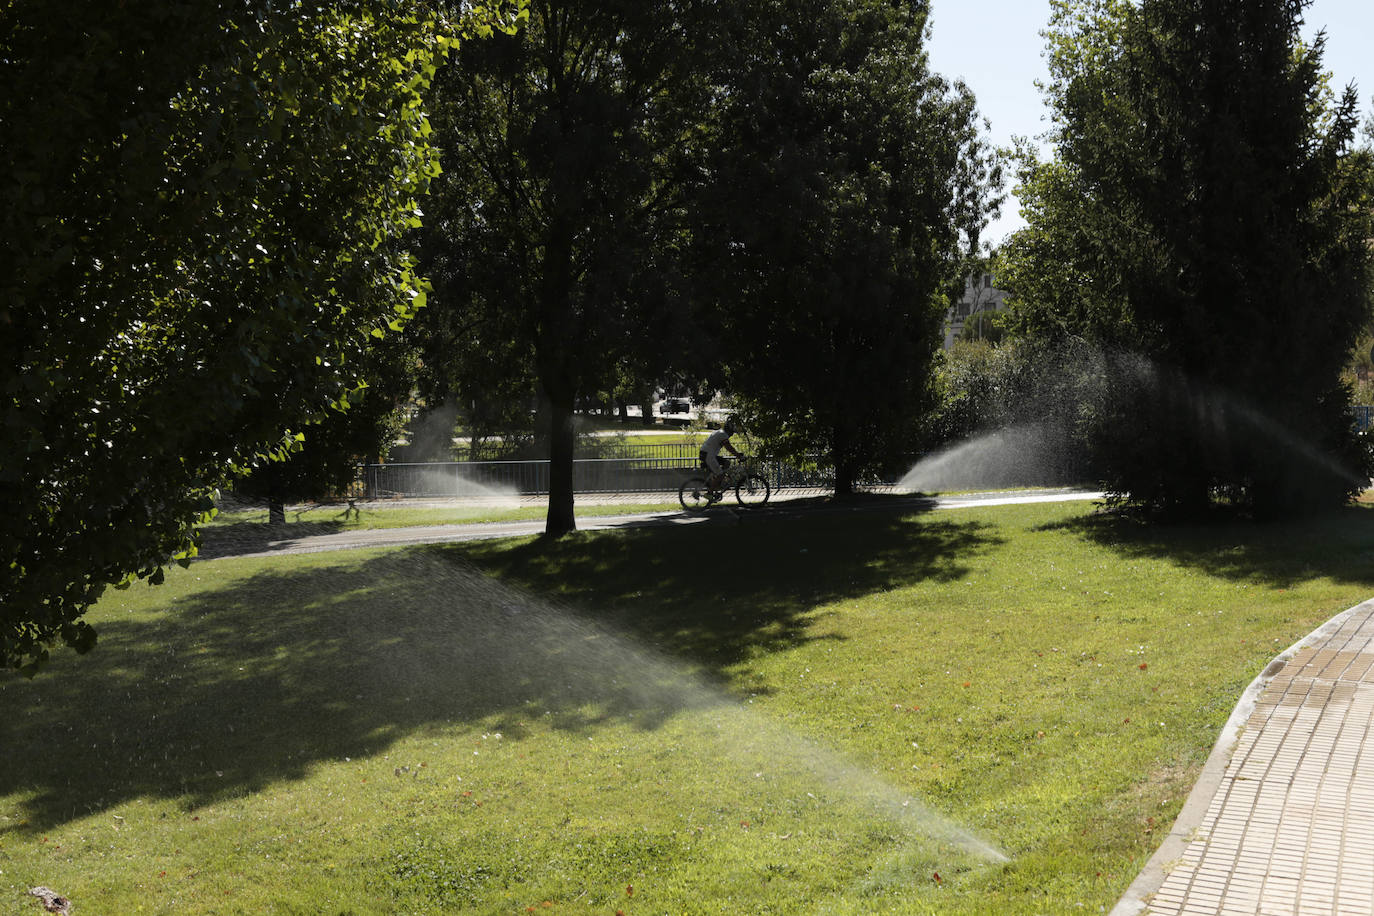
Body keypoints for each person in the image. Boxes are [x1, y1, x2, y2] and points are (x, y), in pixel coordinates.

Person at [700, 418, 744, 495]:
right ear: (729, 430)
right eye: (732, 432)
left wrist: (737, 454)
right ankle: (709, 493)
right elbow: (729, 447)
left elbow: (729, 447)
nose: (732, 434)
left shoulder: (721, 432)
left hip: (708, 454)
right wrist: (738, 455)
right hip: (708, 455)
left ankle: (718, 482)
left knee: (727, 463)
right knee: (721, 474)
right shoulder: (722, 434)